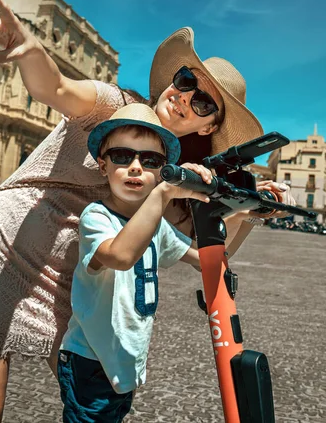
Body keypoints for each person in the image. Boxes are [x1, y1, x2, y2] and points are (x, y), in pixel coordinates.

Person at [0, 0, 294, 423]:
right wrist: (28, 50)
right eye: (185, 80)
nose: (184, 96)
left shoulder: (174, 170)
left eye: (201, 101)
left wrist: (249, 209)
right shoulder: (115, 104)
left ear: (210, 123)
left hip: (79, 275)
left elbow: (211, 252)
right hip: (4, 246)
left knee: (93, 399)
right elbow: (58, 86)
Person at [58, 103, 208, 421]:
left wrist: (248, 211)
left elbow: (206, 258)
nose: (136, 167)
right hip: (91, 360)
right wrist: (163, 195)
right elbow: (122, 256)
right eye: (123, 156)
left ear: (162, 169)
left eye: (150, 160)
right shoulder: (96, 217)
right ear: (103, 165)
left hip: (125, 363)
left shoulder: (154, 224)